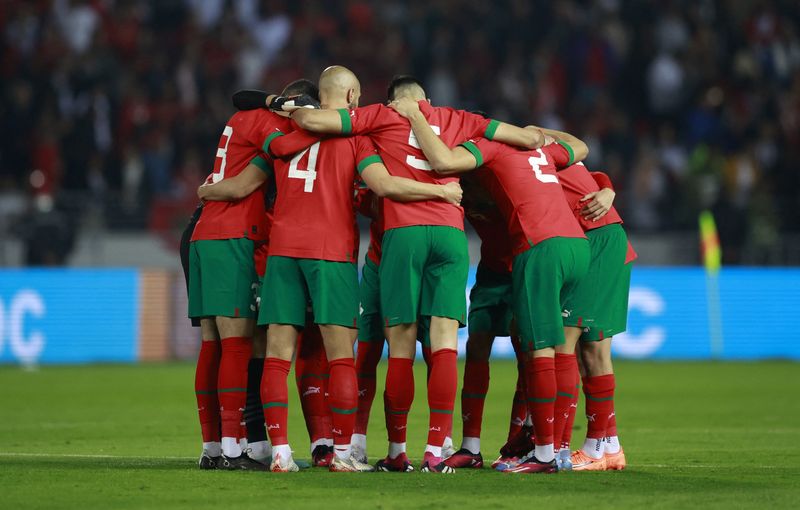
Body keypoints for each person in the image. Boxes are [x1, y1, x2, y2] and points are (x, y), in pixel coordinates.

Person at [199, 65, 463, 472]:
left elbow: (245, 182)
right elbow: (386, 186)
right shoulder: (357, 141)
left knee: (276, 357)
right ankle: (341, 453)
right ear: (354, 98)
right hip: (330, 252)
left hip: (283, 252)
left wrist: (207, 190)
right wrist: (440, 191)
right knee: (341, 358)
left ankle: (282, 453)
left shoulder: (283, 138)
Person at [276, 74, 543, 473]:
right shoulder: (457, 116)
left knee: (398, 346)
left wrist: (283, 104)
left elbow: (318, 123)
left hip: (401, 236)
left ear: (391, 100)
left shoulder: (379, 117)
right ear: (427, 100)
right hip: (451, 234)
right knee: (444, 344)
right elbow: (528, 138)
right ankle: (438, 448)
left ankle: (397, 450)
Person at [389, 96, 590, 474]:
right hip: (567, 248)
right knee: (545, 347)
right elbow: (580, 147)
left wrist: (414, 114)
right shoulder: (537, 153)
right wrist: (538, 135)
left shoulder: (488, 148)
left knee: (539, 351)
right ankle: (507, 447)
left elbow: (443, 161)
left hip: (536, 249)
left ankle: (545, 453)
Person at [553, 163, 635, 471]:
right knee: (591, 349)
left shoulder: (527, 152)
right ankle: (609, 445)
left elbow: (580, 162)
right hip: (601, 241)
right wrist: (607, 186)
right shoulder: (534, 153)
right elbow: (584, 168)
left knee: (572, 345)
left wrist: (608, 187)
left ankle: (578, 448)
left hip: (597, 241)